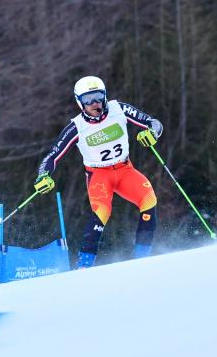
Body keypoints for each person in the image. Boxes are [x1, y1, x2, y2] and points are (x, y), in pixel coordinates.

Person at [34, 76, 163, 267]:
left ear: (104, 96)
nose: (94, 103)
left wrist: (151, 133)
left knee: (149, 200)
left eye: (98, 97)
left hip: (124, 169)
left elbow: (154, 123)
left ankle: (142, 260)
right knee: (102, 213)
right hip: (99, 175)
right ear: (80, 103)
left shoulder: (119, 109)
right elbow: (53, 155)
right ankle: (84, 266)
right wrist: (43, 175)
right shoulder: (76, 126)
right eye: (88, 100)